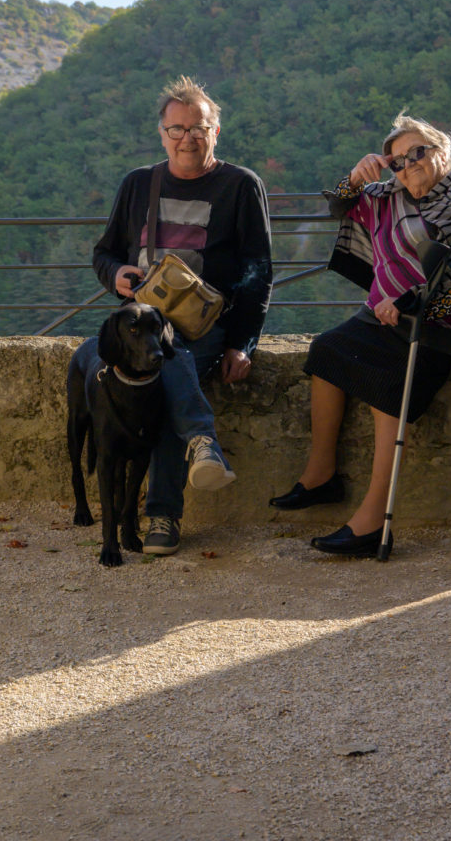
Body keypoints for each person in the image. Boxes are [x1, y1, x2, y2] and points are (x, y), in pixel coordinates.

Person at [269, 113, 451, 557]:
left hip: (438, 324)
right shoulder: (387, 196)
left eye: (417, 152)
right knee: (325, 351)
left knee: (386, 386)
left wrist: (410, 301)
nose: (409, 165)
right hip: (379, 319)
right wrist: (355, 177)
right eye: (398, 160)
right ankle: (321, 474)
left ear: (442, 151)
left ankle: (371, 524)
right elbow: (339, 208)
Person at [93, 76, 273, 556]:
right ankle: (200, 445)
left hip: (205, 326)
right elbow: (105, 253)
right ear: (162, 133)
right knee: (165, 368)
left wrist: (243, 344)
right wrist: (116, 276)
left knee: (168, 370)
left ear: (216, 132)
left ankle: (162, 517)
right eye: (177, 129)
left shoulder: (240, 185)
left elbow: (258, 273)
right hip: (143, 326)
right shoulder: (138, 183)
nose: (187, 137)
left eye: (198, 128)